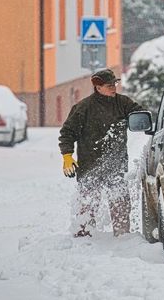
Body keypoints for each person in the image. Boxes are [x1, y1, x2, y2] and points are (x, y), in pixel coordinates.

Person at [59, 68, 143, 236]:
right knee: (87, 206)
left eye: (115, 84)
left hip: (116, 165)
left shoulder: (123, 103)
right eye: (109, 85)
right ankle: (83, 238)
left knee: (120, 204)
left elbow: (140, 115)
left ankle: (122, 239)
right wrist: (67, 155)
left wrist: (142, 121)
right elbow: (67, 132)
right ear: (98, 87)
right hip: (90, 165)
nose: (113, 87)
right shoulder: (83, 108)